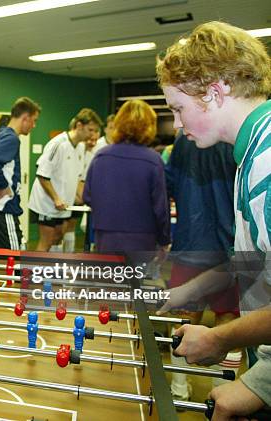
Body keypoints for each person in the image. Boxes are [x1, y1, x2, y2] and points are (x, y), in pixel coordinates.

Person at [156, 21, 270, 419]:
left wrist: (257, 380)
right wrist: (191, 291)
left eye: (178, 108)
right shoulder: (250, 152)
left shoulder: (265, 166)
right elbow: (256, 262)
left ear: (215, 92)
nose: (177, 124)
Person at [165, 131, 240, 400]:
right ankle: (220, 395)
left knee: (185, 320)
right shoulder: (236, 136)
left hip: (190, 243)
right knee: (228, 324)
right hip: (227, 248)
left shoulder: (184, 138)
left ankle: (179, 389)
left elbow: (170, 183)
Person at [83, 100, 170, 263]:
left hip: (106, 237)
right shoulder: (153, 160)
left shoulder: (101, 156)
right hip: (141, 238)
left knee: (109, 285)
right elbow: (160, 208)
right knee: (134, 285)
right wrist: (164, 240)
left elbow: (88, 196)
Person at [28, 108, 102, 251]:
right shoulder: (58, 144)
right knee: (47, 241)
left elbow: (78, 179)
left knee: (58, 236)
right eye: (90, 130)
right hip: (47, 204)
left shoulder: (80, 147)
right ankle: (33, 273)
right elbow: (42, 175)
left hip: (64, 204)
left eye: (95, 131)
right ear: (79, 126)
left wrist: (88, 199)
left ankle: (52, 271)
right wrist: (56, 198)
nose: (93, 135)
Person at [0, 97, 41, 250]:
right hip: (2, 211)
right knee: (16, 262)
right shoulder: (11, 138)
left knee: (0, 264)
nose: (34, 125)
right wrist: (3, 186)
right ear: (25, 118)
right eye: (34, 120)